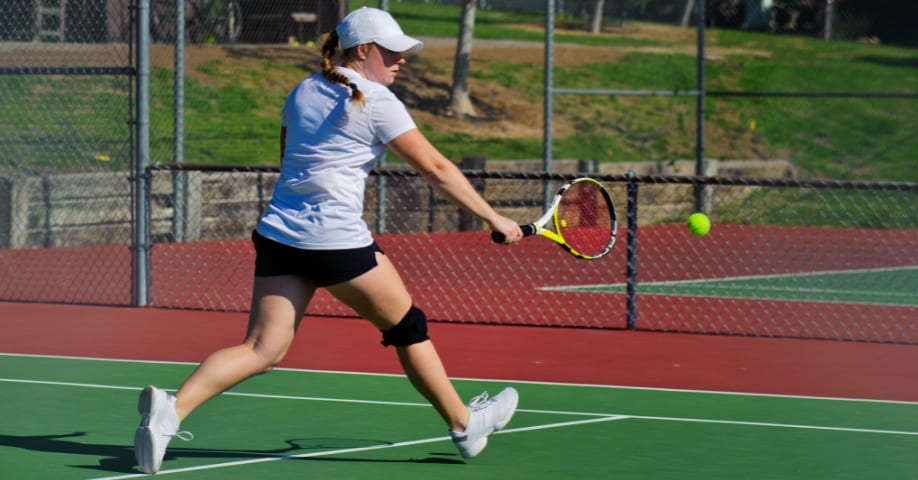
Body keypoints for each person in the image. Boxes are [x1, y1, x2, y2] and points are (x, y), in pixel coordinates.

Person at [133, 7, 523, 475]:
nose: (402, 60)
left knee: (262, 349)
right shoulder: (376, 100)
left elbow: (287, 157)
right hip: (335, 240)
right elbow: (435, 169)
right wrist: (493, 217)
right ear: (363, 51)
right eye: (393, 52)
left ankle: (171, 412)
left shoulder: (302, 91)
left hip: (279, 235)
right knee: (407, 327)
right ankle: (465, 426)